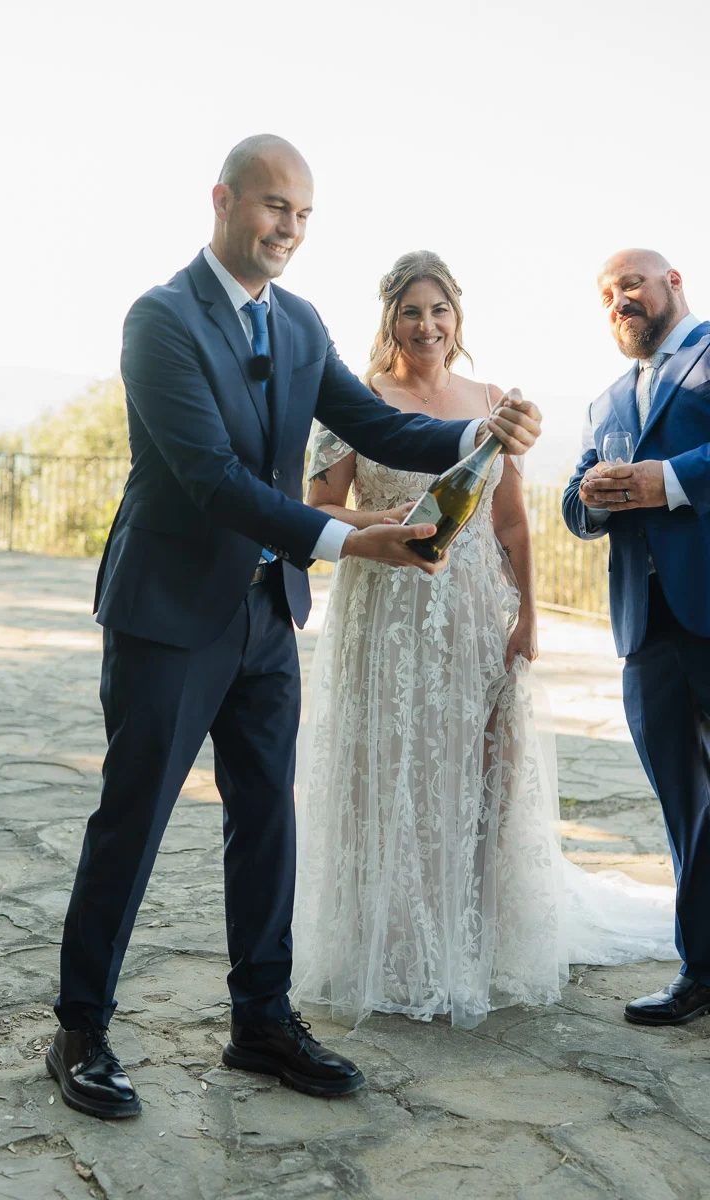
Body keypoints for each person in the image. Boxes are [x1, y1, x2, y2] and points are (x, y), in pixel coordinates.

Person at [45, 138, 543, 1118]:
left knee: (266, 817)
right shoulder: (159, 320)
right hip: (168, 613)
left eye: (304, 214)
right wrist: (349, 543)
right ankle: (80, 1029)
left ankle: (260, 1022)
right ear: (224, 199)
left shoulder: (302, 322)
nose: (289, 228)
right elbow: (211, 480)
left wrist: (478, 434)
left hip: (266, 613)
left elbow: (381, 427)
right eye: (275, 206)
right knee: (132, 819)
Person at [292, 251, 676, 1030]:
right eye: (411, 311)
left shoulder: (492, 402)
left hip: (472, 608)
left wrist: (528, 612)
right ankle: (392, 944)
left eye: (440, 311)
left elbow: (509, 521)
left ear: (456, 319)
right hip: (387, 609)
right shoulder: (355, 404)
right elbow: (319, 508)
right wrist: (384, 526)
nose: (427, 325)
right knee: (391, 768)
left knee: (476, 777)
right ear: (390, 320)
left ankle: (473, 940)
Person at [563, 248, 710, 1027]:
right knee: (684, 806)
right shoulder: (606, 400)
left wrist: (671, 479)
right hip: (643, 627)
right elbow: (573, 497)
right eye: (606, 294)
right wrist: (584, 496)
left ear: (673, 284)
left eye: (630, 285)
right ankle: (700, 971)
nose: (618, 300)